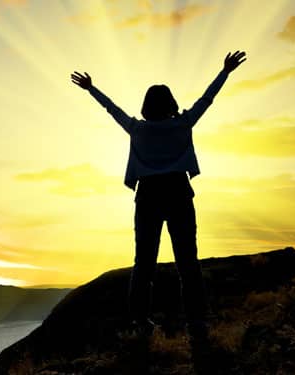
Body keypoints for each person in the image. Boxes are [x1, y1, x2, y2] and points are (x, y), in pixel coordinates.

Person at [70, 51, 247, 340]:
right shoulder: (182, 124)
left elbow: (111, 109)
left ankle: (141, 323)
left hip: (148, 195)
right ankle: (197, 322)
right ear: (171, 103)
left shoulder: (137, 129)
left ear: (146, 106)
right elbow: (207, 99)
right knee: (188, 261)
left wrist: (91, 89)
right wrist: (225, 71)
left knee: (144, 263)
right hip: (178, 191)